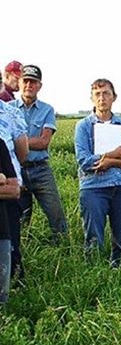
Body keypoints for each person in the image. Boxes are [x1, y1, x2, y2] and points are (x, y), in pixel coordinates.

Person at [74, 79, 121, 268]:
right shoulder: (83, 126)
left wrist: (109, 162)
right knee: (93, 237)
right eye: (97, 94)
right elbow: (85, 162)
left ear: (114, 97)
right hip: (93, 187)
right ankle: (94, 273)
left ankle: (118, 272)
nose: (102, 98)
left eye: (106, 93)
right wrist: (115, 155)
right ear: (92, 98)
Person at [10, 64, 68, 239]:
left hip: (40, 169)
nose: (29, 85)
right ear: (20, 83)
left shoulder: (47, 110)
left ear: (39, 86)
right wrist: (27, 141)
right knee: (19, 218)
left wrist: (17, 140)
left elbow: (44, 142)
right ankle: (21, 253)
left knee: (56, 213)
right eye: (26, 81)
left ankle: (64, 248)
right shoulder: (7, 108)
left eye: (33, 82)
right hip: (16, 169)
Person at [0, 78, 28, 281]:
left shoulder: (10, 114)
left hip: (8, 191)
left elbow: (21, 153)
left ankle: (12, 291)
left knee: (9, 248)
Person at [0, 138, 20, 304]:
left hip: (1, 232)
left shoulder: (0, 145)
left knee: (2, 297)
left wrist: (4, 181)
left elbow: (14, 190)